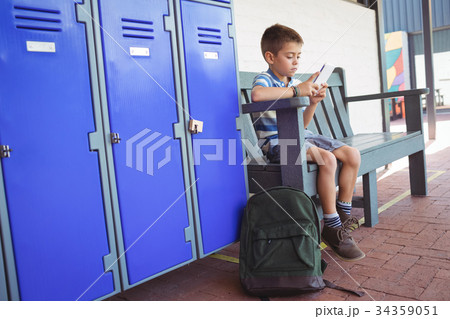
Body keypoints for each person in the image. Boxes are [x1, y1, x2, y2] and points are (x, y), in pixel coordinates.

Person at [251, 23, 365, 262]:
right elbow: (257, 96)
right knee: (328, 158)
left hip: (301, 136)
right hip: (275, 144)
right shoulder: (265, 79)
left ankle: (342, 216)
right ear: (270, 57)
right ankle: (331, 225)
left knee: (352, 155)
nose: (296, 62)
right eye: (290, 56)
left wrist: (311, 101)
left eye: (298, 57)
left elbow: (301, 126)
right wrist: (297, 91)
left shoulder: (291, 84)